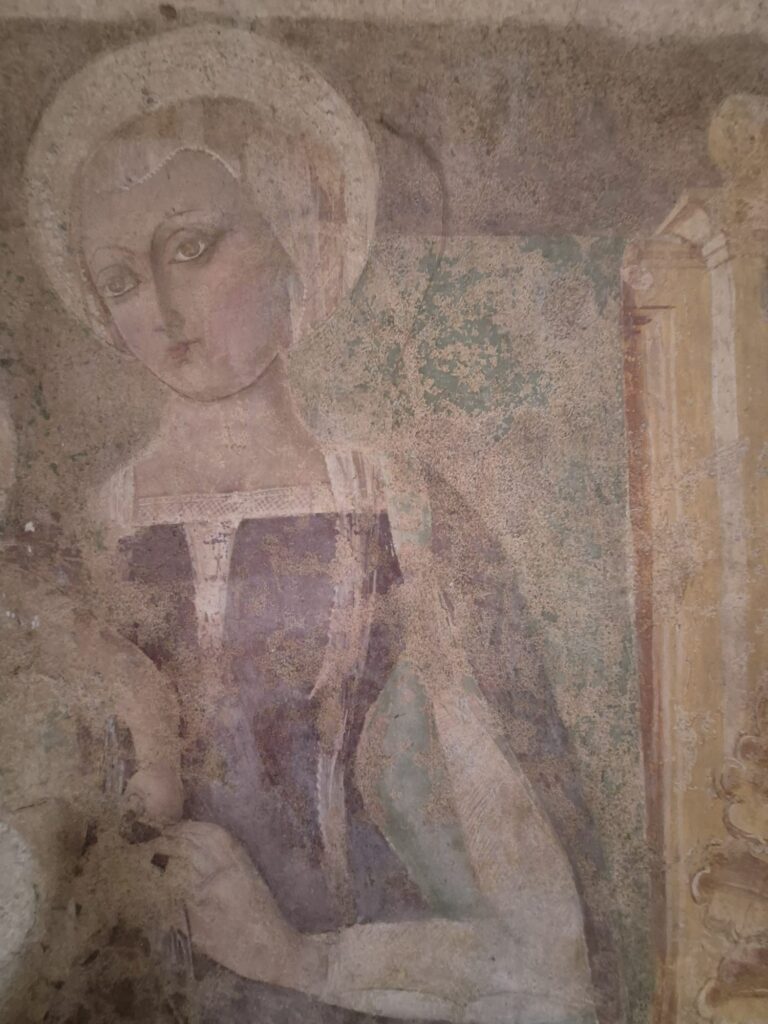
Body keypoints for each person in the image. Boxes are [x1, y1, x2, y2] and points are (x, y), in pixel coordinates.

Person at [25, 26, 623, 1024]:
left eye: (192, 248)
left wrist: (298, 958)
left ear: (294, 234)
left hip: (346, 974)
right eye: (122, 280)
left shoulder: (402, 507)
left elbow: (542, 933)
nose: (164, 309)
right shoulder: (89, 534)